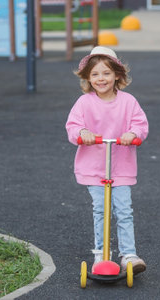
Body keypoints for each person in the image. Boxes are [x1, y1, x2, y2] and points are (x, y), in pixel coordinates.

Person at [65, 46, 149, 275]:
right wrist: (83, 133)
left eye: (106, 73)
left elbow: (140, 124)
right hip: (94, 168)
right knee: (101, 211)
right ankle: (101, 254)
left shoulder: (129, 101)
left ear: (117, 75)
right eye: (95, 74)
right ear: (87, 78)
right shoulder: (84, 103)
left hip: (120, 167)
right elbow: (73, 127)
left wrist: (133, 134)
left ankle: (129, 254)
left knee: (124, 210)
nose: (101, 79)